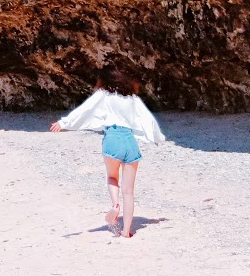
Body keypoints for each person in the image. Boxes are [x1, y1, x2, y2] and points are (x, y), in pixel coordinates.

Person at [50, 67, 166, 239]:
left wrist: (64, 123)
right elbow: (147, 119)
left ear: (105, 80)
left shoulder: (103, 95)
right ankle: (126, 231)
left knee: (112, 178)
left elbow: (85, 110)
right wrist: (157, 137)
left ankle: (115, 205)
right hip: (129, 141)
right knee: (129, 191)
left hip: (112, 139)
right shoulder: (132, 98)